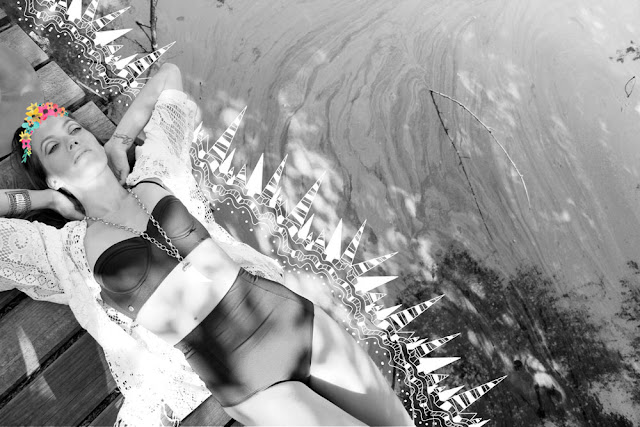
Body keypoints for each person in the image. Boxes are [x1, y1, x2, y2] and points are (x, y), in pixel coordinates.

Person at [0, 62, 414, 426]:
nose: (72, 141)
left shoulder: (156, 173)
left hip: (293, 319)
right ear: (52, 178)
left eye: (74, 130)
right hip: (246, 379)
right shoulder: (65, 249)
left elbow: (169, 76)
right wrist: (43, 200)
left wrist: (121, 141)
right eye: (53, 147)